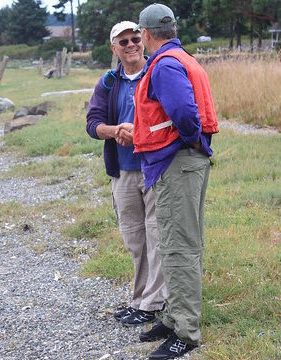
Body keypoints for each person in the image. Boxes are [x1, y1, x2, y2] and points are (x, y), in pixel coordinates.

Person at [117, 4, 218, 359]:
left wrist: (189, 140)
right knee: (177, 242)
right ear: (172, 29)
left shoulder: (165, 65)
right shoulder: (181, 57)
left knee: (179, 248)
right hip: (178, 163)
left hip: (178, 163)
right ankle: (174, 317)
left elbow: (186, 114)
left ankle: (186, 332)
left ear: (145, 34)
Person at [86, 21, 166, 327]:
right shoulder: (108, 82)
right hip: (122, 170)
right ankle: (140, 299)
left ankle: (152, 304)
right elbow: (92, 122)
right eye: (124, 41)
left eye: (135, 38)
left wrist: (140, 133)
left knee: (157, 236)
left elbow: (173, 117)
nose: (131, 44)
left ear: (144, 41)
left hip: (154, 167)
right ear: (114, 48)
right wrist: (114, 130)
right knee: (135, 239)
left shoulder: (158, 72)